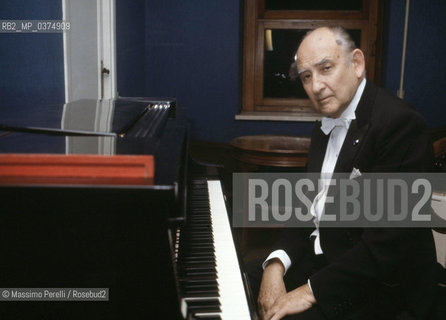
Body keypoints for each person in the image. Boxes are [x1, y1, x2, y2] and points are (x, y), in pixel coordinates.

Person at [249, 26, 440, 320]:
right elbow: (305, 208)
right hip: (331, 259)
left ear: (357, 64)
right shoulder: (325, 124)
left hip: (384, 285)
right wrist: (275, 265)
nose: (315, 86)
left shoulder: (401, 125)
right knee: (242, 275)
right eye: (306, 77)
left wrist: (308, 292)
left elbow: (387, 246)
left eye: (326, 68)